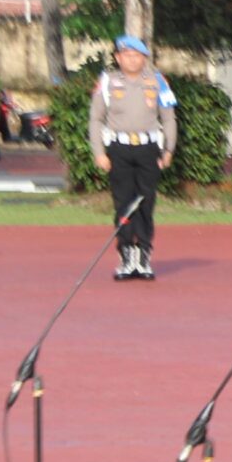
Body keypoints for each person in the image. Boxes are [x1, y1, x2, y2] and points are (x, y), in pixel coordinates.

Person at [89, 34, 176, 282]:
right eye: (127, 55)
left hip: (148, 148)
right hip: (119, 148)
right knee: (124, 204)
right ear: (118, 58)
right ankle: (126, 255)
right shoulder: (107, 82)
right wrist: (99, 152)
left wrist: (168, 150)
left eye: (137, 55)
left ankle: (144, 255)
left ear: (144, 58)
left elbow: (169, 118)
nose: (132, 59)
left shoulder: (158, 81)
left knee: (146, 203)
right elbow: (96, 119)